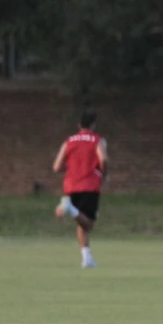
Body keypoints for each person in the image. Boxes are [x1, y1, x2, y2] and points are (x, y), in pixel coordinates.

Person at [52, 110, 108, 268]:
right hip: (89, 185)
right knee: (88, 224)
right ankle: (70, 208)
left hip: (70, 185)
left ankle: (87, 258)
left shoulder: (69, 141)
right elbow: (103, 159)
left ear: (79, 125)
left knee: (80, 222)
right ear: (93, 124)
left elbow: (56, 166)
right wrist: (104, 173)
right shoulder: (97, 140)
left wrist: (70, 167)